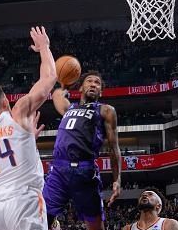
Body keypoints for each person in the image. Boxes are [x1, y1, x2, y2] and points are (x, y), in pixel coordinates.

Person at [0, 26, 56, 230]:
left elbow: (4, 150)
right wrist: (44, 47)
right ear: (5, 102)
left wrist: (26, 141)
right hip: (24, 200)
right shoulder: (18, 114)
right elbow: (49, 78)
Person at [43, 70, 121, 230]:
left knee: (95, 225)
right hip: (58, 170)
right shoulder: (69, 108)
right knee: (41, 218)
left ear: (101, 91)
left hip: (84, 170)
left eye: (97, 83)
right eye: (89, 81)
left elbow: (114, 147)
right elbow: (57, 96)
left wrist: (117, 179)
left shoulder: (105, 110)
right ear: (80, 88)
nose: (93, 84)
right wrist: (64, 83)